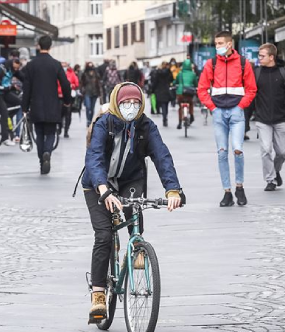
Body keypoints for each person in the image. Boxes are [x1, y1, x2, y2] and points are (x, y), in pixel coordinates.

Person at [82, 83, 183, 322]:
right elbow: (94, 158)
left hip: (130, 179)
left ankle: (138, 248)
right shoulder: (103, 124)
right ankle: (98, 294)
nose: (131, 107)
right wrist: (104, 189)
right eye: (126, 103)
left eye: (136, 104)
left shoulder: (146, 126)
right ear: (117, 103)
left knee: (135, 209)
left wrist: (173, 189)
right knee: (104, 236)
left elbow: (162, 156)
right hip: (98, 183)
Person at [197, 31, 257, 207]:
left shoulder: (243, 63)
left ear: (230, 44)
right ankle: (227, 192)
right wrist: (213, 108)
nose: (218, 47)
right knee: (222, 152)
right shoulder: (211, 64)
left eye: (220, 43)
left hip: (236, 112)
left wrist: (240, 106)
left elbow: (252, 89)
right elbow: (202, 89)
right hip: (218, 113)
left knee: (238, 149)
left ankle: (239, 186)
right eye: (216, 44)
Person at [21, 35, 72, 174]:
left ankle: (41, 159)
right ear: (50, 47)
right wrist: (67, 101)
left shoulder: (31, 65)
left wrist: (24, 107)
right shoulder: (56, 64)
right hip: (52, 104)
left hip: (35, 104)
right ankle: (47, 153)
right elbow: (66, 84)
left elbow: (27, 88)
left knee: (39, 132)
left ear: (38, 46)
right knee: (50, 133)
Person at [253, 43, 285, 191]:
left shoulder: (284, 73)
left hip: (280, 119)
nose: (259, 58)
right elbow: (250, 96)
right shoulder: (256, 73)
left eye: (262, 56)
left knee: (281, 152)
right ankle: (270, 180)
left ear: (271, 57)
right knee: (266, 149)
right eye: (259, 55)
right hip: (262, 120)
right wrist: (245, 121)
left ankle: (276, 170)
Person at [174, 59, 198, 129]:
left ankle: (179, 122)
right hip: (189, 92)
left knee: (180, 106)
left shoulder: (180, 74)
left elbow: (176, 82)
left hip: (180, 93)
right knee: (191, 103)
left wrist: (173, 84)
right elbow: (196, 83)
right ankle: (191, 115)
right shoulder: (193, 74)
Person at [58, 61, 79, 138]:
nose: (64, 67)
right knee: (59, 114)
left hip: (68, 96)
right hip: (59, 96)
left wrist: (71, 85)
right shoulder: (57, 72)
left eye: (65, 65)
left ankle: (66, 130)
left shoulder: (71, 73)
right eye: (62, 65)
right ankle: (59, 128)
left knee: (68, 114)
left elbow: (76, 83)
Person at [151, 62, 173, 127]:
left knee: (162, 105)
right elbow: (172, 79)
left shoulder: (158, 72)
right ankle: (165, 116)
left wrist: (152, 90)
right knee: (166, 104)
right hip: (166, 90)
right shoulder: (169, 72)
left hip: (160, 90)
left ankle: (164, 119)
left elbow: (155, 82)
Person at [81, 62, 101, 127]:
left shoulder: (96, 74)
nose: (91, 70)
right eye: (90, 68)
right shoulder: (84, 74)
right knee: (88, 107)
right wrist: (82, 90)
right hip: (87, 93)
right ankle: (88, 120)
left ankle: (90, 120)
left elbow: (99, 84)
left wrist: (100, 93)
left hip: (95, 93)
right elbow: (81, 83)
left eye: (92, 68)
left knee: (92, 108)